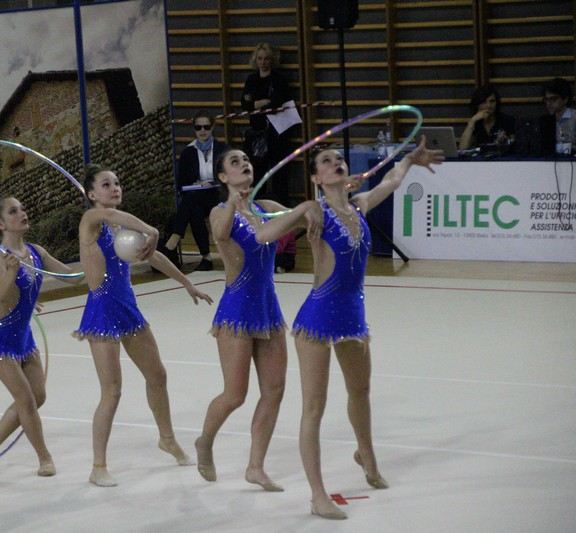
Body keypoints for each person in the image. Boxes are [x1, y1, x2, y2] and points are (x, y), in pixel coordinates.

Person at [295, 138, 443, 519]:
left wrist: (410, 159)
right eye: (326, 161)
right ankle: (316, 495)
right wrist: (304, 210)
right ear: (316, 177)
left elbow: (391, 182)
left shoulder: (358, 206)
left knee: (360, 392)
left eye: (339, 159)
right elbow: (281, 217)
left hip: (353, 317)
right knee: (314, 407)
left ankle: (367, 455)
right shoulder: (316, 210)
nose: (336, 163)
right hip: (316, 319)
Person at [74, 164, 214, 487]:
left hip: (128, 309)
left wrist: (186, 284)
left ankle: (166, 438)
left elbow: (152, 256)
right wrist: (151, 228)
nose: (115, 187)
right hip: (102, 314)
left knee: (158, 375)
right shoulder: (92, 220)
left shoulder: (121, 227)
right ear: (92, 194)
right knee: (112, 390)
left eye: (118, 181)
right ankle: (98, 466)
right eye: (106, 184)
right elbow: (112, 218)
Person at [194, 148, 315, 492]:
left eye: (246, 160)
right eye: (234, 162)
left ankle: (255, 466)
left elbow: (303, 218)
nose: (244, 164)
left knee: (275, 390)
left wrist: (317, 203)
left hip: (268, 310)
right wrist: (236, 200)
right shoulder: (220, 211)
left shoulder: (269, 209)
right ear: (222, 177)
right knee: (235, 394)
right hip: (236, 311)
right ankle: (205, 440)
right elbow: (220, 233)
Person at [0, 196, 81, 476]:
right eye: (13, 211)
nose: (22, 212)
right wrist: (11, 271)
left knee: (38, 395)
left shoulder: (36, 252)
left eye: (22, 207)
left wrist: (98, 260)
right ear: (0, 223)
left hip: (23, 335)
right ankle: (44, 458)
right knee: (26, 399)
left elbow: (72, 276)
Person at [160, 111, 227, 271]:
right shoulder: (188, 152)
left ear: (212, 127)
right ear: (194, 130)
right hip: (197, 196)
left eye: (206, 127)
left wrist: (213, 182)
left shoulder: (222, 150)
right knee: (194, 208)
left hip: (218, 195)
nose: (202, 131)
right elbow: (181, 184)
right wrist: (197, 183)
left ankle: (176, 237)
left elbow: (229, 176)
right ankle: (206, 257)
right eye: (198, 127)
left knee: (191, 201)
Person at [241, 42, 291, 206]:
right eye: (260, 59)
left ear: (272, 60)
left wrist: (258, 103)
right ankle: (257, 210)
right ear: (255, 60)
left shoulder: (279, 79)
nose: (263, 62)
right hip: (257, 133)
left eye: (267, 59)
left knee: (279, 174)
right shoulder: (251, 79)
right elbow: (245, 104)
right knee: (258, 173)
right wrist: (263, 102)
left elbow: (277, 102)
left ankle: (282, 210)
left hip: (277, 132)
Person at [458, 84, 516, 150]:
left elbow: (515, 146)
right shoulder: (476, 123)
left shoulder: (507, 120)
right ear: (477, 104)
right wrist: (472, 121)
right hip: (480, 159)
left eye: (492, 101)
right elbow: (462, 148)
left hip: (501, 158)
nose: (488, 105)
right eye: (484, 102)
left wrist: (506, 142)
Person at [542, 77, 576, 155]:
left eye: (553, 99)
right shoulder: (545, 121)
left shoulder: (574, 117)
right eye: (546, 99)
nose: (548, 103)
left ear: (565, 99)